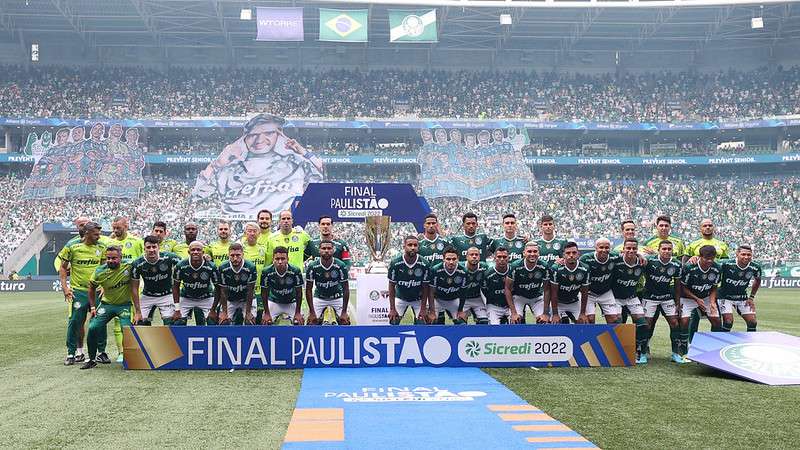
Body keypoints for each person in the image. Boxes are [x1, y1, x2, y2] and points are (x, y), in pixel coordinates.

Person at [192, 114, 323, 216]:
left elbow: (319, 179)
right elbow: (196, 196)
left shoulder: (296, 164)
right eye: (254, 135)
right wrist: (218, 163)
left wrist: (302, 151)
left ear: (279, 135)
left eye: (269, 133)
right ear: (244, 138)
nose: (259, 140)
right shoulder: (227, 170)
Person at [80, 246, 140, 370]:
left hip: (124, 305)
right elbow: (91, 288)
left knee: (126, 330)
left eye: (114, 258)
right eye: (108, 258)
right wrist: (92, 307)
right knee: (92, 327)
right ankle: (91, 359)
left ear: (121, 257)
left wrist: (137, 311)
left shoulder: (129, 267)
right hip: (107, 305)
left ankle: (130, 359)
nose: (111, 261)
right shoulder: (99, 272)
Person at [58, 222, 107, 365]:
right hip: (78, 291)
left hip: (97, 291)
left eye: (99, 234)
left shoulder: (102, 247)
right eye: (96, 234)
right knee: (75, 322)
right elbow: (63, 268)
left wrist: (104, 286)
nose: (99, 237)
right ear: (87, 233)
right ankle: (71, 353)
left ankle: (101, 352)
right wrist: (65, 288)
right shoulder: (72, 247)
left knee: (100, 321)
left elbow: (104, 269)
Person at [684, 219, 730, 342]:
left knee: (716, 317)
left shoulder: (722, 245)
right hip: (694, 286)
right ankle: (691, 346)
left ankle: (714, 346)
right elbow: (685, 264)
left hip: (711, 284)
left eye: (710, 225)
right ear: (700, 228)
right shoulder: (693, 245)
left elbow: (726, 264)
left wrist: (713, 301)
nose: (708, 227)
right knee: (693, 317)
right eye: (705, 225)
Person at [640, 240, 684, 363]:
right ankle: (642, 353)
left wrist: (677, 302)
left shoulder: (676, 264)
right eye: (664, 249)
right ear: (659, 250)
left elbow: (677, 285)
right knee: (647, 325)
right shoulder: (649, 261)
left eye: (669, 249)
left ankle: (675, 354)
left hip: (667, 297)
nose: (666, 251)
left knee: (675, 323)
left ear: (672, 251)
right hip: (650, 297)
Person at [107, 216, 144, 361]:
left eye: (118, 228)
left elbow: (143, 261)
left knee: (137, 318)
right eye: (114, 228)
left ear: (126, 226)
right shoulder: (109, 243)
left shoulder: (136, 242)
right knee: (118, 320)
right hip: (116, 288)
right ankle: (121, 352)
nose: (116, 231)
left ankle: (138, 349)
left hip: (135, 287)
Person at [677, 245, 722, 359]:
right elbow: (683, 288)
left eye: (712, 258)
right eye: (707, 258)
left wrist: (712, 302)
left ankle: (714, 347)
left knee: (716, 320)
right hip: (687, 297)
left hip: (706, 297)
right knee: (684, 321)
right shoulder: (689, 267)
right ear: (700, 257)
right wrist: (696, 299)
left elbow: (714, 287)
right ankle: (683, 349)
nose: (709, 261)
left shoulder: (717, 268)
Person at [610, 238, 649, 363]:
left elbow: (658, 260)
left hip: (632, 297)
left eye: (634, 248)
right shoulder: (616, 261)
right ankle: (616, 350)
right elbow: (604, 255)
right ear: (623, 249)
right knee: (618, 322)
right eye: (628, 248)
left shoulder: (641, 262)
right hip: (615, 298)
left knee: (642, 324)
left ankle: (639, 351)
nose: (631, 250)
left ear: (637, 250)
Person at [130, 235, 182, 325]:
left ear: (159, 247)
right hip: (148, 295)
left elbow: (186, 264)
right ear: (144, 248)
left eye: (154, 247)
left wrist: (204, 258)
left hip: (167, 295)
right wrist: (138, 312)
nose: (151, 250)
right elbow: (134, 288)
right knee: (140, 322)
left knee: (170, 323)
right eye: (148, 247)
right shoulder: (137, 264)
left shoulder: (169, 258)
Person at [172, 241, 220, 326]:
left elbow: (218, 288)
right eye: (193, 250)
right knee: (177, 322)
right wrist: (177, 309)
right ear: (188, 252)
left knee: (212, 321)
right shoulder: (181, 266)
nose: (195, 252)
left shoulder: (211, 266)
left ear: (203, 252)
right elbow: (175, 287)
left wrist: (213, 310)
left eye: (198, 250)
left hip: (206, 298)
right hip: (186, 297)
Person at [305, 241, 351, 325]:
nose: (326, 250)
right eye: (323, 248)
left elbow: (346, 289)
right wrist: (311, 311)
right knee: (311, 322)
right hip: (319, 298)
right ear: (319, 250)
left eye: (329, 248)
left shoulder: (340, 265)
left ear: (333, 250)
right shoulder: (312, 266)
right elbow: (308, 289)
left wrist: (344, 312)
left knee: (345, 322)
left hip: (337, 297)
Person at [388, 235, 431, 325]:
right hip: (401, 298)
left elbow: (425, 288)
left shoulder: (424, 263)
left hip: (418, 299)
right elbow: (391, 286)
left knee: (422, 322)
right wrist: (392, 309)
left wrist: (423, 309)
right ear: (404, 247)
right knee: (393, 321)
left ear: (418, 247)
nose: (413, 248)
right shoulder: (395, 263)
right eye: (410, 245)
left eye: (415, 245)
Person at [718, 245, 761, 332]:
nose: (746, 257)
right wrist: (696, 257)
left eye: (749, 255)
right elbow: (711, 262)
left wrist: (751, 297)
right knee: (728, 321)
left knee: (752, 322)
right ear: (737, 254)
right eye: (743, 254)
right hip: (725, 297)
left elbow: (758, 280)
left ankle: (750, 344)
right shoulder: (727, 264)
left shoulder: (755, 267)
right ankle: (723, 342)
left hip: (741, 297)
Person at [505, 242, 550, 324]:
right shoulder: (515, 266)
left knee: (544, 321)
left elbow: (547, 290)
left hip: (536, 297)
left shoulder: (544, 266)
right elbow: (507, 289)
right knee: (515, 321)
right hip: (519, 297)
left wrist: (545, 313)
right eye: (529, 251)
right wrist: (514, 313)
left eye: (535, 251)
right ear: (524, 253)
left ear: (539, 253)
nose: (532, 254)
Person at [579, 238, 621, 324]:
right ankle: (590, 337)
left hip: (606, 292)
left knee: (614, 319)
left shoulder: (614, 256)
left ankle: (609, 337)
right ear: (595, 248)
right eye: (601, 247)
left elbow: (627, 255)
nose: (604, 250)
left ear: (610, 248)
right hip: (589, 293)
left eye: (607, 247)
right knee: (590, 319)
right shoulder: (586, 258)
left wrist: (640, 255)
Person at [215, 243, 258, 325]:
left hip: (246, 300)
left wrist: (248, 313)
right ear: (228, 255)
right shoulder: (223, 268)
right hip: (230, 300)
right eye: (232, 255)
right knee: (223, 322)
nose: (235, 258)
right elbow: (223, 291)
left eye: (238, 255)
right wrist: (224, 312)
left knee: (250, 322)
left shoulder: (250, 267)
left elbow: (250, 291)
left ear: (243, 255)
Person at [260, 247, 304, 325]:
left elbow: (299, 293)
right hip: (274, 301)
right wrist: (267, 313)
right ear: (273, 259)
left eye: (283, 259)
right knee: (266, 322)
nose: (280, 262)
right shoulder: (266, 272)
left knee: (299, 322)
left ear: (288, 259)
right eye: (277, 259)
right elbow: (264, 293)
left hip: (291, 302)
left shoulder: (295, 271)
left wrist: (297, 312)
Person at [549, 242, 589, 324]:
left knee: (584, 322)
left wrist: (582, 313)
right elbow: (553, 293)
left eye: (574, 253)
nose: (571, 255)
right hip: (558, 303)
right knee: (553, 323)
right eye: (568, 253)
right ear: (563, 255)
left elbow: (585, 293)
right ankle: (562, 316)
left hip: (574, 302)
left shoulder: (585, 268)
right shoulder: (556, 269)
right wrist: (555, 314)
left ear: (578, 254)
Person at [241, 222, 271, 324]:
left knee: (259, 319)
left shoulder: (264, 249)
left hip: (260, 290)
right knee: (242, 319)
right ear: (245, 233)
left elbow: (267, 267)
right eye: (249, 231)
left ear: (259, 234)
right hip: (244, 290)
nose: (252, 233)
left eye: (255, 231)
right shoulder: (241, 249)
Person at [429, 248, 467, 324]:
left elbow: (463, 292)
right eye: (448, 259)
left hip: (453, 300)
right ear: (443, 259)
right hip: (438, 300)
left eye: (454, 259)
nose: (451, 262)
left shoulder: (463, 271)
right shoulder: (435, 270)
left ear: (458, 259)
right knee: (431, 321)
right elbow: (431, 292)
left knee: (462, 323)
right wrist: (432, 311)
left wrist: (460, 310)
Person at [457, 247, 489, 324]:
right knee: (460, 323)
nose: (474, 256)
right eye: (471, 254)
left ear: (479, 257)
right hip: (462, 300)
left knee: (484, 322)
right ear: (466, 256)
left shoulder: (484, 267)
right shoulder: (459, 267)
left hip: (477, 298)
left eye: (476, 254)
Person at [481, 247, 511, 325]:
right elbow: (485, 292)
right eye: (499, 257)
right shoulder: (487, 274)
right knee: (493, 327)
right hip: (494, 306)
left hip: (511, 305)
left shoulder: (513, 270)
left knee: (516, 322)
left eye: (504, 257)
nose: (502, 259)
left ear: (509, 258)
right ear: (494, 258)